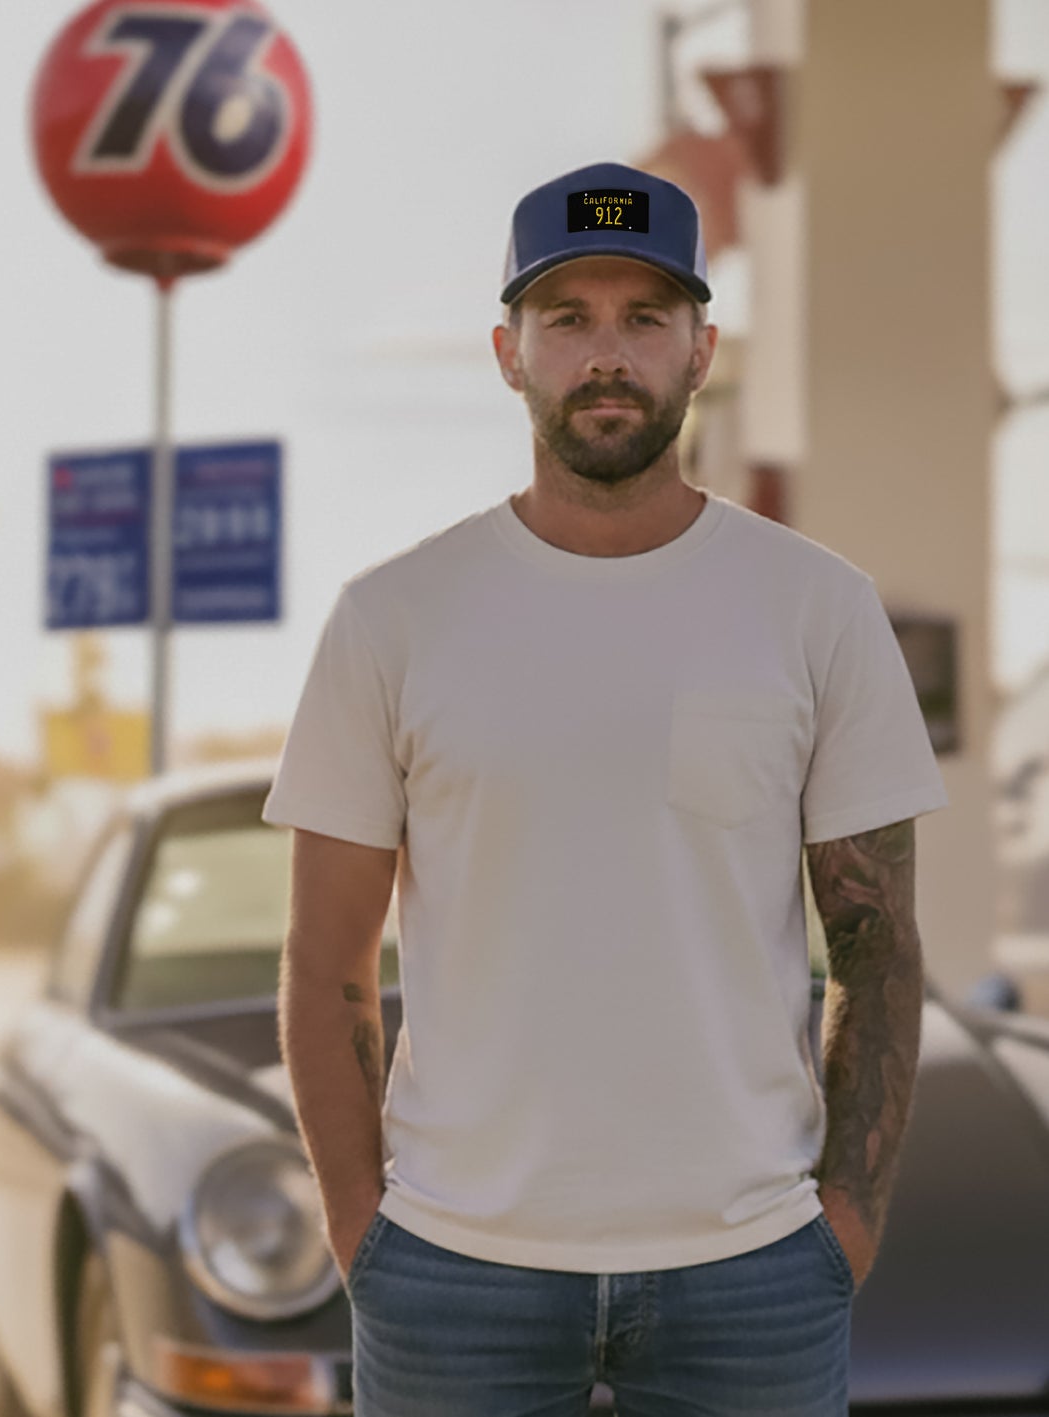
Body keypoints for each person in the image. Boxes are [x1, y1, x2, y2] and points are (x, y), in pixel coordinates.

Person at [261, 160, 949, 1416]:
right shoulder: (391, 618)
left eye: (643, 317)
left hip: (749, 1277)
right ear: (506, 352)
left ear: (700, 349)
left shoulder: (817, 609)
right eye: (565, 318)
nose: (605, 353)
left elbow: (876, 944)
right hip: (453, 1278)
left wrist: (836, 1225)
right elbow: (324, 965)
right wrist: (366, 1233)